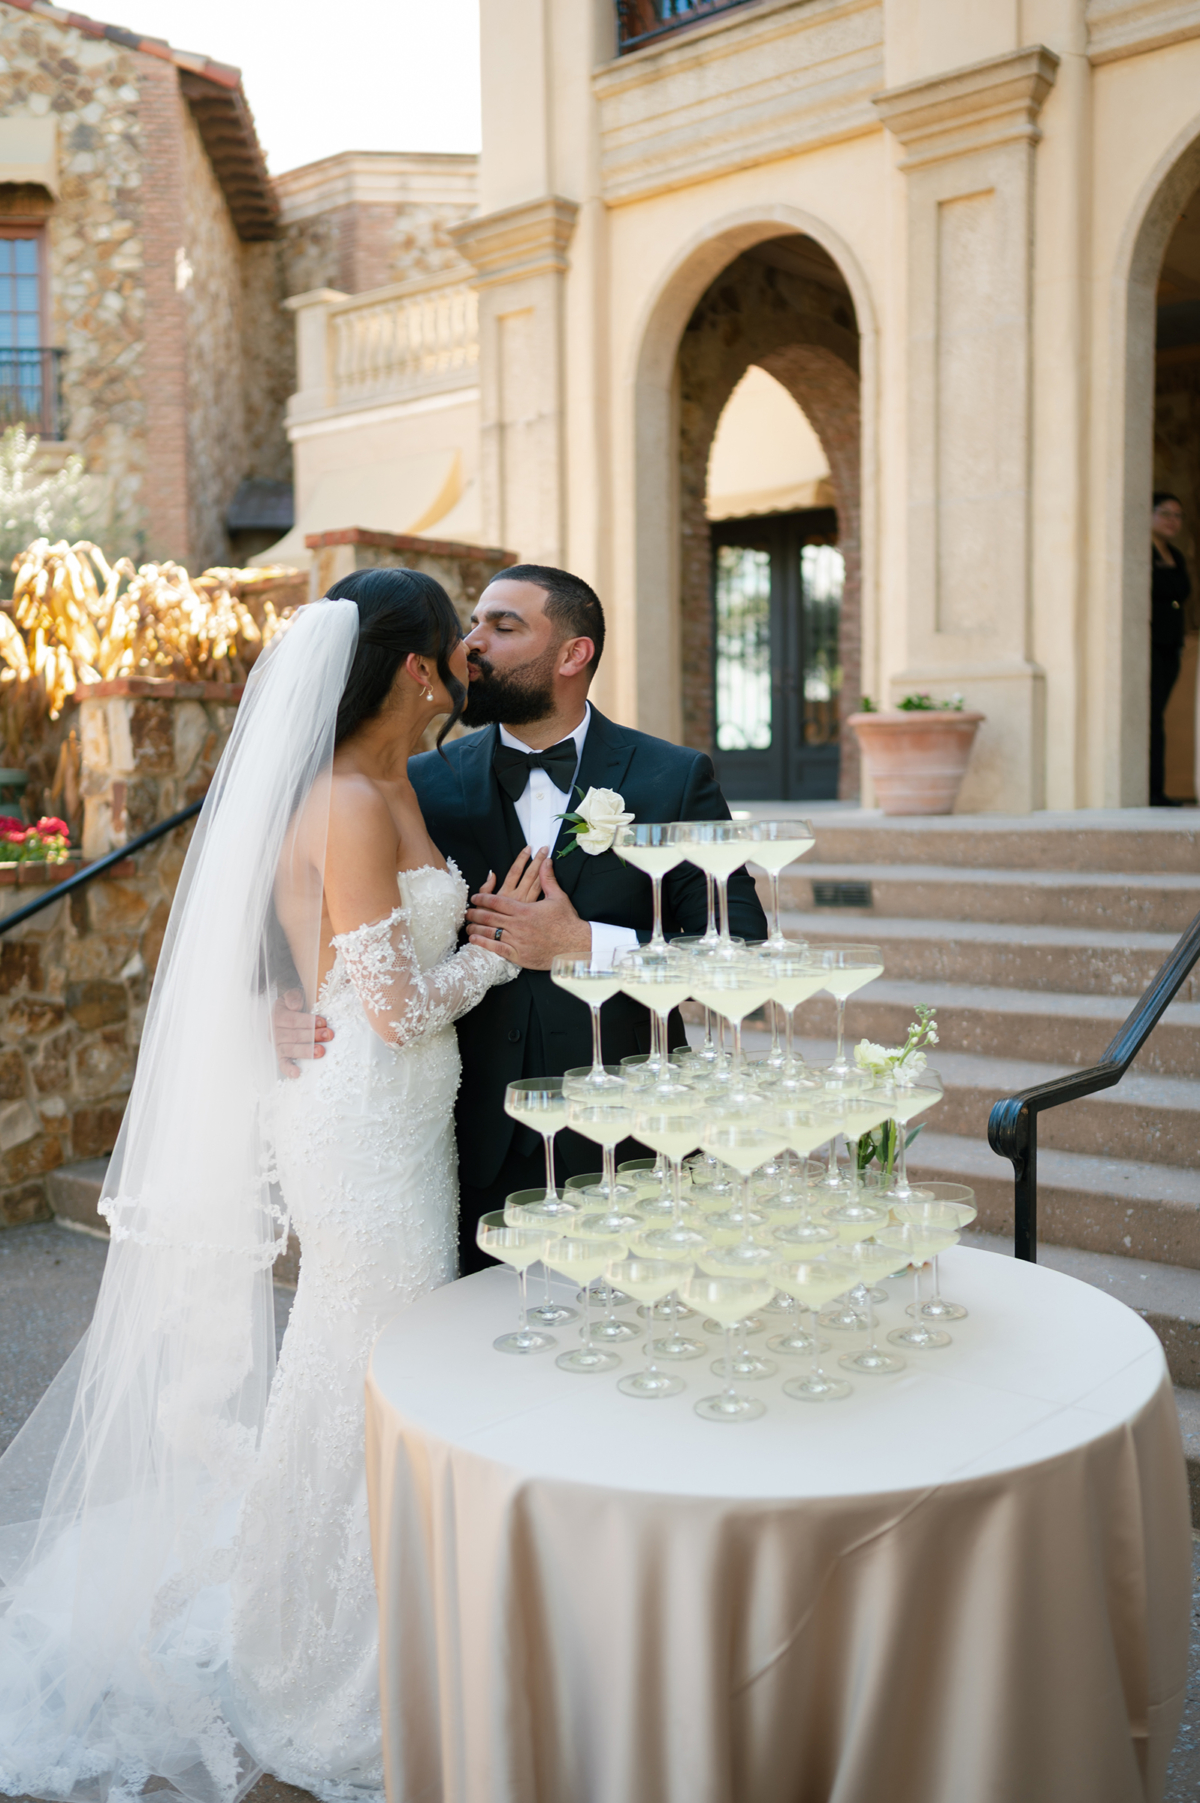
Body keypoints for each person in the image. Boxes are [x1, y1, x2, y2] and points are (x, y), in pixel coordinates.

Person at [0, 570, 525, 1803]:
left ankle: (339, 1604)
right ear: (415, 667)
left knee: (362, 1357)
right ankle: (330, 1656)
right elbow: (393, 1010)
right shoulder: (344, 798)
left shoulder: (392, 782)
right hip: (363, 1122)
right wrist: (498, 949)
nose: (466, 660)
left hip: (398, 1121)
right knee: (372, 1357)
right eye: (455, 642)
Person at [279, 564, 769, 1272]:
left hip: (631, 1135)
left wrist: (587, 944)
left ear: (574, 654)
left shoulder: (673, 777)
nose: (473, 643)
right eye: (472, 623)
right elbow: (300, 910)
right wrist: (275, 1006)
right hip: (459, 1146)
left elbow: (743, 952)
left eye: (503, 627)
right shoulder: (417, 783)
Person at [1150, 492, 1191, 806]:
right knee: (1150, 716)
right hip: (1148, 644)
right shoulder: (1141, 551)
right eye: (1165, 513)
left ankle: (1157, 790)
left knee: (1159, 715)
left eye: (1177, 515)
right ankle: (1150, 791)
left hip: (1171, 645)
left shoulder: (1175, 554)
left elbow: (1181, 590)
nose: (1172, 521)